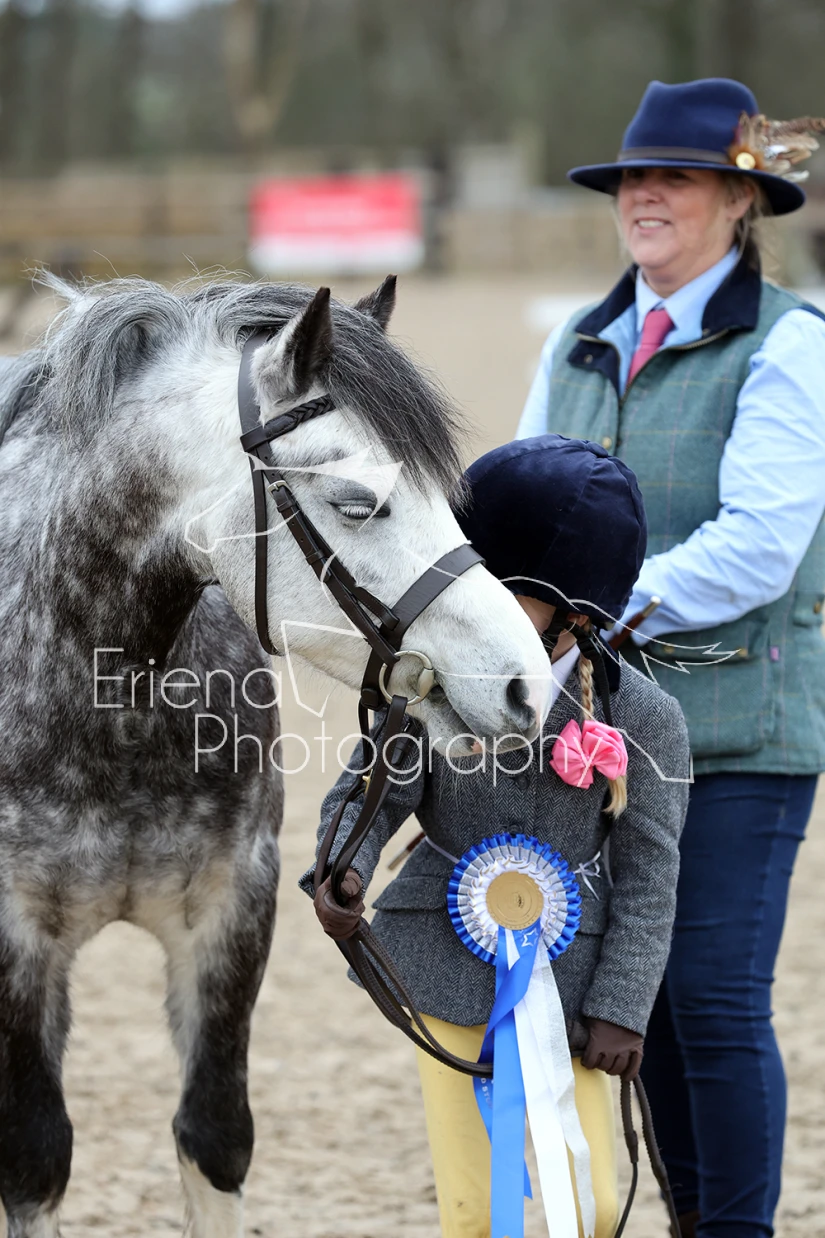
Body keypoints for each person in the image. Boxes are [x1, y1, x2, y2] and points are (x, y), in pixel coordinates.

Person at [516, 77, 825, 1238]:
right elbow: (523, 501)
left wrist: (589, 608)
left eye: (676, 178)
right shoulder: (579, 340)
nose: (644, 195)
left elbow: (759, 545)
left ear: (740, 201)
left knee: (712, 992)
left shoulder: (792, 347)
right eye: (632, 178)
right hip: (610, 735)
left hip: (745, 726)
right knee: (635, 992)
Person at [301, 435, 690, 1238]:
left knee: (593, 1208)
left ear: (575, 615)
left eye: (500, 594)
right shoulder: (431, 685)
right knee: (473, 1208)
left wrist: (623, 1007)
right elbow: (372, 792)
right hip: (439, 962)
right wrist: (342, 865)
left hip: (575, 984)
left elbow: (650, 874)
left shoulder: (646, 719)